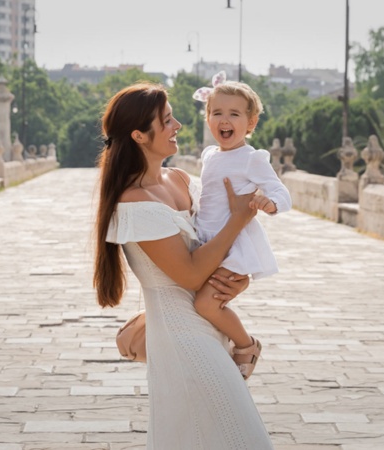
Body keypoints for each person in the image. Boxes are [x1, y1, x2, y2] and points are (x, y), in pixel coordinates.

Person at [93, 82, 275, 449]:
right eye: (167, 120)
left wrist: (239, 279)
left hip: (209, 325)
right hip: (181, 339)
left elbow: (209, 248)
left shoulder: (178, 179)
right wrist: (239, 219)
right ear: (140, 136)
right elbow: (191, 272)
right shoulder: (134, 201)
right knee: (238, 437)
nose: (178, 126)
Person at [192, 78, 292, 380]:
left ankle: (246, 345)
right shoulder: (209, 155)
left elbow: (281, 191)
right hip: (208, 242)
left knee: (206, 304)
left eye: (234, 114)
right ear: (208, 118)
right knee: (199, 301)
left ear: (251, 122)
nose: (224, 120)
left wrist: (269, 203)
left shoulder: (251, 158)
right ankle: (213, 353)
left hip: (234, 248)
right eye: (217, 112)